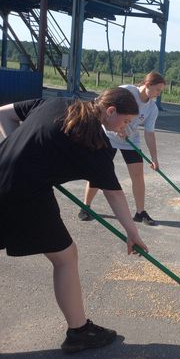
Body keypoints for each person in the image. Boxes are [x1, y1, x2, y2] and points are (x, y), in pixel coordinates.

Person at [0, 88, 148, 354]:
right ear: (111, 111)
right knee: (65, 257)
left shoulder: (56, 102)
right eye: (125, 121)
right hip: (25, 195)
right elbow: (114, 194)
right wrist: (132, 231)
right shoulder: (94, 144)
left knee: (64, 255)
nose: (124, 127)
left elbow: (6, 114)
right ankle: (79, 332)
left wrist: (23, 154)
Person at [81, 72, 166, 225]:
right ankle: (85, 206)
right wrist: (116, 127)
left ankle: (140, 213)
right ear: (147, 85)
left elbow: (149, 133)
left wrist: (154, 158)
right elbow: (104, 104)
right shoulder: (126, 91)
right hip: (108, 135)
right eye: (157, 90)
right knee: (98, 171)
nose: (158, 94)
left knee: (138, 175)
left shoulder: (152, 109)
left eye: (160, 91)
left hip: (130, 140)